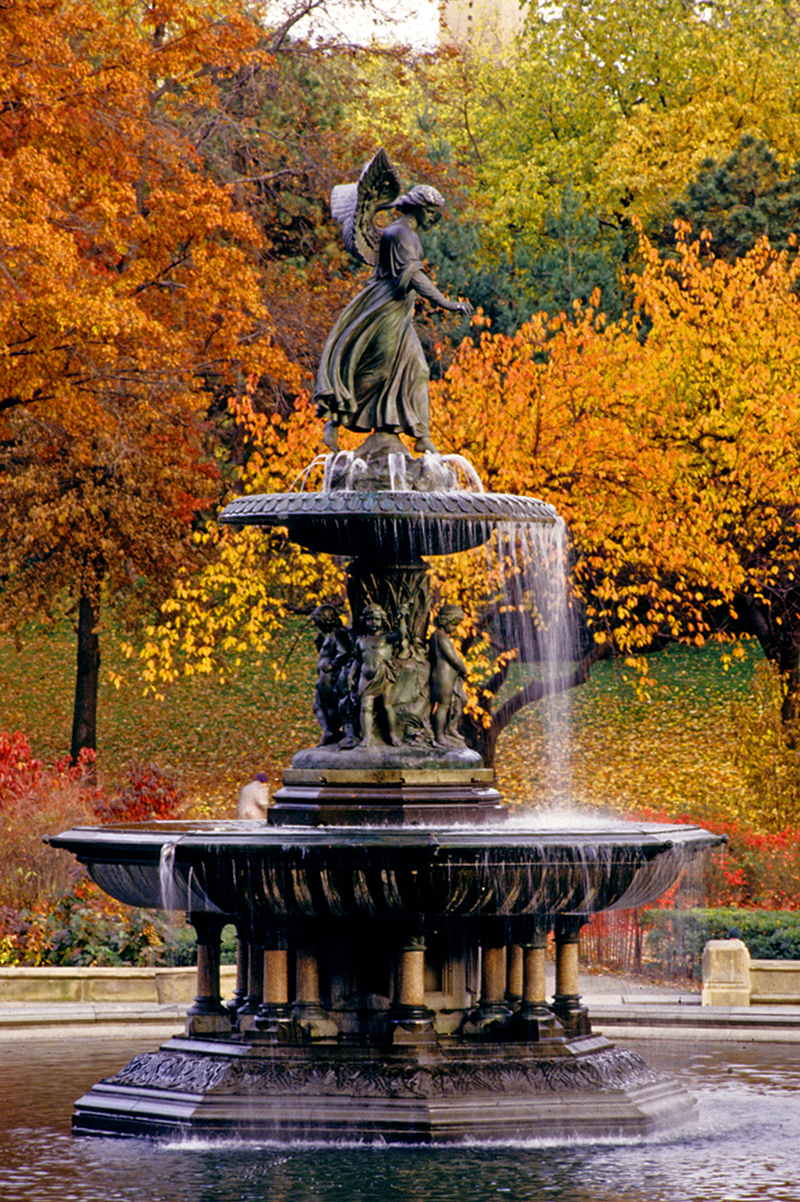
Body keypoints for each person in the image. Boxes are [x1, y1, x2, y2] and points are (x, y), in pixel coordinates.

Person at [316, 185, 472, 454]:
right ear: (418, 208)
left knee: (419, 369)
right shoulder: (401, 234)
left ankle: (421, 436)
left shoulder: (404, 233)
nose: (432, 218)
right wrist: (447, 303)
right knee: (380, 371)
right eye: (430, 212)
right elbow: (414, 277)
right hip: (386, 309)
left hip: (401, 313)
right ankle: (335, 418)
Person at [429, 604, 468, 748]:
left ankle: (450, 727)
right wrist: (463, 668)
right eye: (454, 624)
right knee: (443, 705)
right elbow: (453, 659)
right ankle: (439, 735)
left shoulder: (441, 636)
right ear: (445, 621)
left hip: (449, 676)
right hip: (442, 675)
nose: (455, 628)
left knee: (462, 699)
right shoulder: (440, 637)